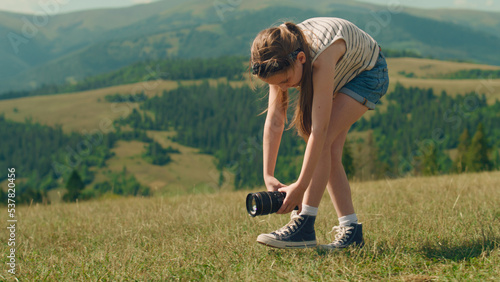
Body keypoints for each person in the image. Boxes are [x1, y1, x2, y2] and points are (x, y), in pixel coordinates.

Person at [250, 17, 389, 250]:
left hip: (367, 73)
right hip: (342, 72)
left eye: (285, 81)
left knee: (324, 142)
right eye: (276, 84)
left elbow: (319, 130)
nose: (284, 88)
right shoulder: (279, 55)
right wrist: (268, 175)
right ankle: (352, 232)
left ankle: (304, 224)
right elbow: (275, 120)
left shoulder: (321, 56)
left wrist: (300, 187)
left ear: (301, 59)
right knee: (330, 150)